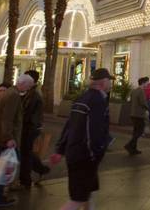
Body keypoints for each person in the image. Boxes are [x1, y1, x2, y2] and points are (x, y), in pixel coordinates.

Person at [50, 68, 113, 210]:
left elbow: (70, 125)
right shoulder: (98, 101)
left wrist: (60, 150)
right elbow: (94, 131)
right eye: (109, 80)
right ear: (103, 82)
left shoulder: (82, 98)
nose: (111, 84)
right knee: (77, 200)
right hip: (84, 157)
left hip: (75, 154)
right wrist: (95, 154)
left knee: (87, 194)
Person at [0, 74, 35, 207]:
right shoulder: (14, 96)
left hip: (2, 136)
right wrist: (9, 138)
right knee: (6, 167)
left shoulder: (10, 93)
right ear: (24, 84)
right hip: (7, 138)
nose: (30, 89)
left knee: (2, 166)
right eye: (29, 86)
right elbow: (7, 118)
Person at [16, 70, 50, 190]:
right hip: (29, 127)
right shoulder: (29, 92)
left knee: (25, 154)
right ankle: (40, 169)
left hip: (30, 128)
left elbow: (29, 113)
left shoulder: (34, 95)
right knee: (26, 152)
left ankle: (25, 181)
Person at [125, 77, 149, 155]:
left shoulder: (134, 91)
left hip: (133, 114)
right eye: (147, 83)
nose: (148, 84)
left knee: (135, 132)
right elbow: (143, 103)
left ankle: (133, 149)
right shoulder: (141, 91)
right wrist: (148, 109)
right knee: (140, 131)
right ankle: (129, 145)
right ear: (143, 83)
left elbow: (129, 100)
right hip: (139, 115)